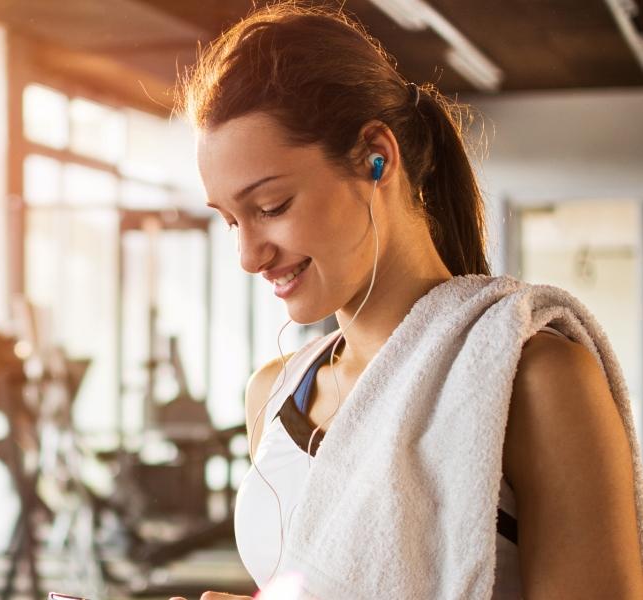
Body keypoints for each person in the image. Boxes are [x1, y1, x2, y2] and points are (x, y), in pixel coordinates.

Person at [169, 3, 643, 599]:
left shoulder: (536, 382)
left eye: (271, 208)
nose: (248, 256)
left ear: (376, 157)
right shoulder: (273, 394)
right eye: (231, 221)